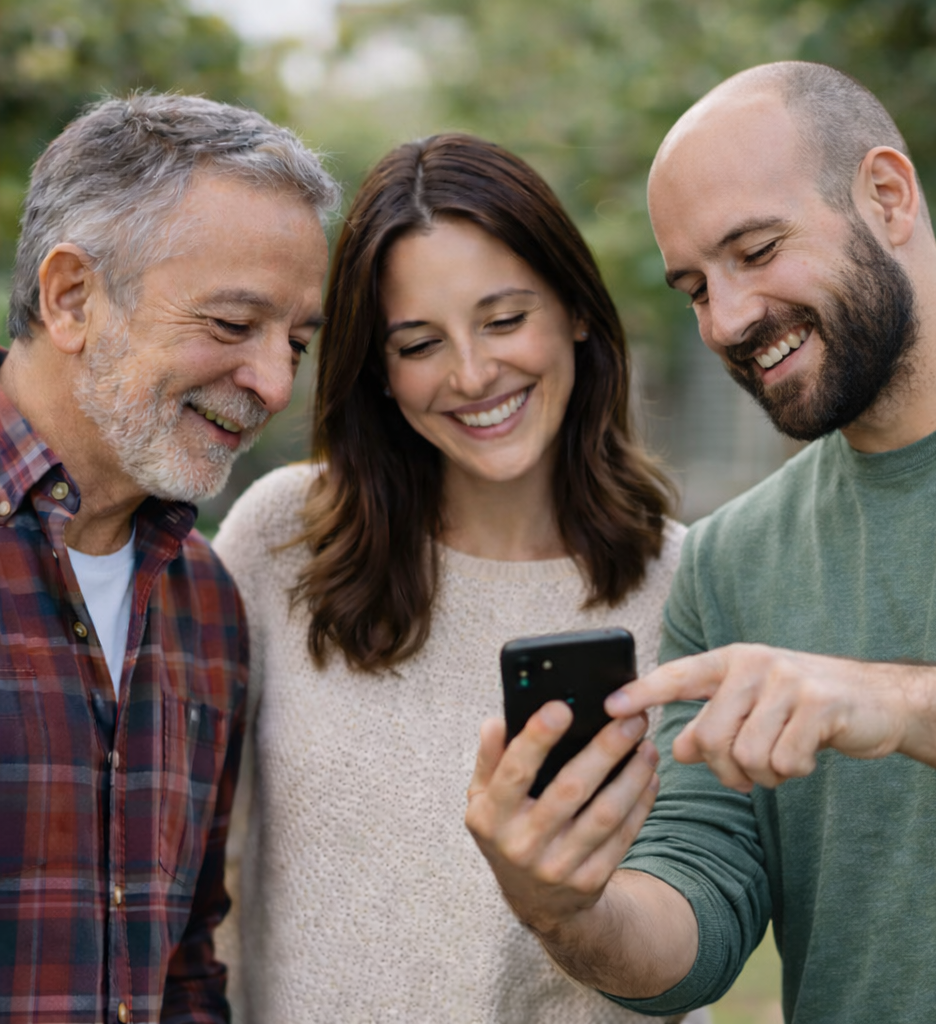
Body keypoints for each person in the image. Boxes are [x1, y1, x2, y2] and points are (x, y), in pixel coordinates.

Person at [466, 61, 936, 1023]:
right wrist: (564, 907)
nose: (727, 320)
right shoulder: (729, 561)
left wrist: (898, 703)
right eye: (694, 288)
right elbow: (695, 932)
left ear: (888, 196)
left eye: (757, 250)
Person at [212, 133, 709, 1023]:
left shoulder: (689, 583)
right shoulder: (280, 538)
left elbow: (700, 923)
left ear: (577, 311)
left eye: (505, 320)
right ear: (379, 368)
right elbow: (202, 867)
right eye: (419, 342)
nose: (474, 374)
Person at [0, 94, 336, 1023]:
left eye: (296, 342)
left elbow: (185, 965)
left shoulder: (208, 602)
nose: (274, 383)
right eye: (231, 325)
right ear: (73, 297)